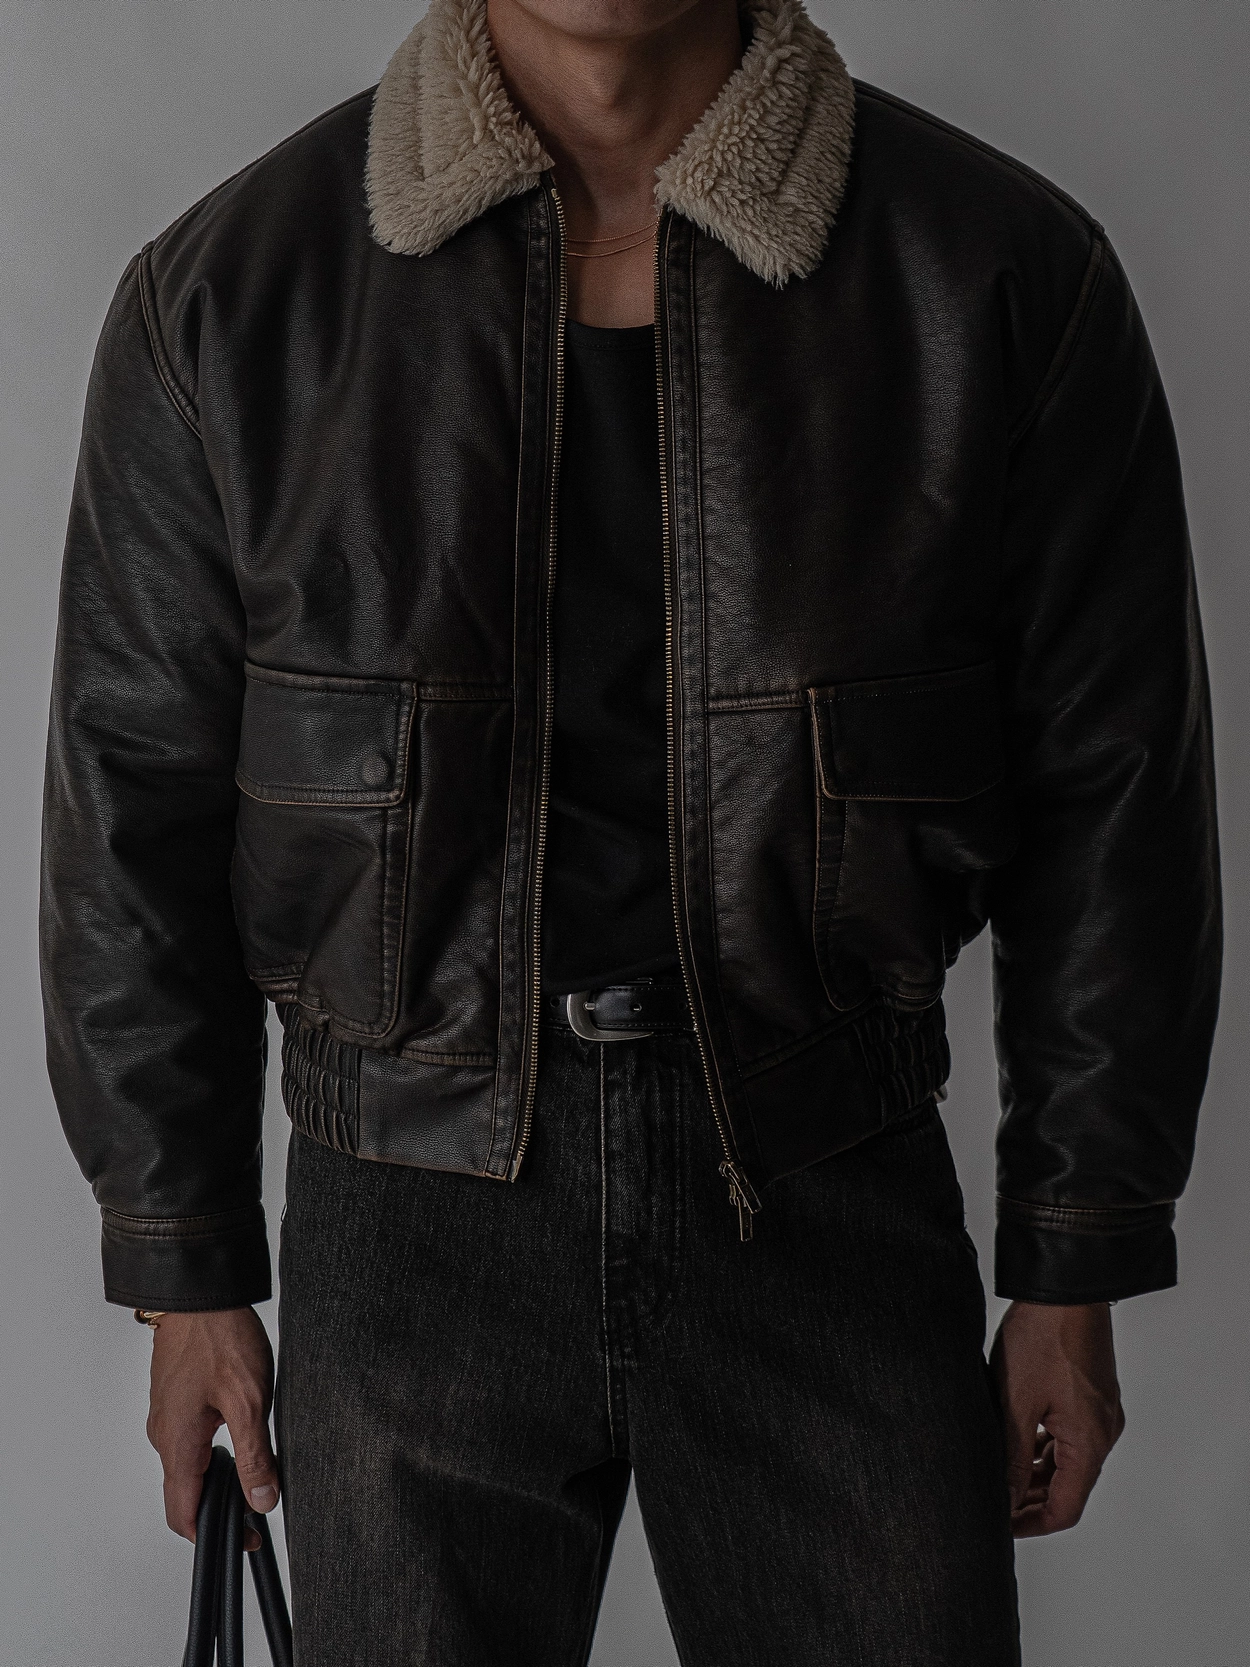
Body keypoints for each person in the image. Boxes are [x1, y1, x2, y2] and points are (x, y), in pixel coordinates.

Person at [40, 0, 1220, 1661]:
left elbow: (1117, 794)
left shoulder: (994, 272)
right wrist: (184, 1268)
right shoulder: (236, 292)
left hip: (826, 1176)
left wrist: (1072, 1258)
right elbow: (130, 805)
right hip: (405, 1205)